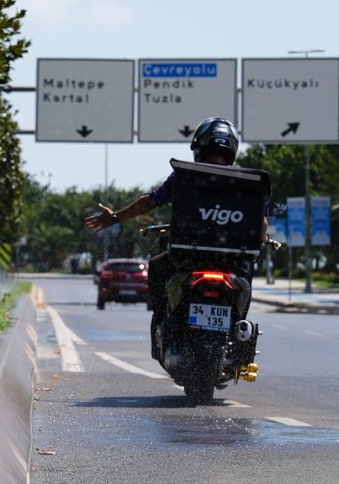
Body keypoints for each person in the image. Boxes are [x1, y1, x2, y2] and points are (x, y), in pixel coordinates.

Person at [84, 117, 266, 359]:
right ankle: (239, 329)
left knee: (156, 267)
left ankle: (161, 324)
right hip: (234, 262)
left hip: (187, 257)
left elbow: (150, 201)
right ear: (231, 148)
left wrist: (115, 217)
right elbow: (262, 225)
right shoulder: (249, 182)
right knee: (246, 281)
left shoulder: (185, 175)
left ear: (199, 146)